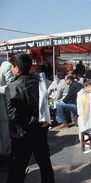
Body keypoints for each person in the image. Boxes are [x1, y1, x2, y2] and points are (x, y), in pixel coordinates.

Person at [5, 53, 55, 183]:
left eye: (11, 66)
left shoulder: (12, 87)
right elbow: (45, 106)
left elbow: (14, 115)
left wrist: (34, 121)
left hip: (22, 135)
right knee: (45, 165)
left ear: (17, 68)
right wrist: (41, 122)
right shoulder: (39, 83)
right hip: (40, 131)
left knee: (17, 168)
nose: (11, 69)